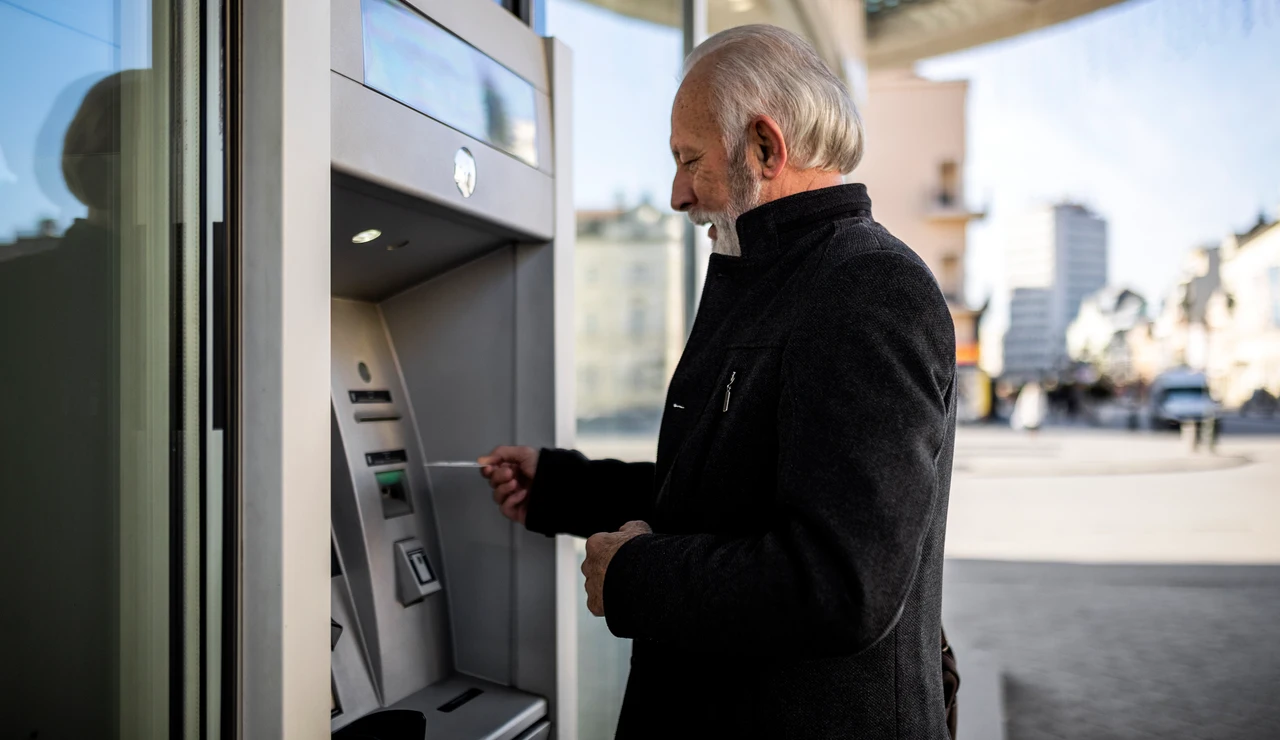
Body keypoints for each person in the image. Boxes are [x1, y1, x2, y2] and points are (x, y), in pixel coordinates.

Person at [481, 26, 958, 739]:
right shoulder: (785, 280)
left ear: (765, 148)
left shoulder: (868, 289)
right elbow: (726, 494)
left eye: (689, 160)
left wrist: (635, 577)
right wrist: (559, 486)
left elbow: (839, 584)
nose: (677, 195)